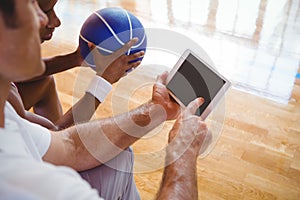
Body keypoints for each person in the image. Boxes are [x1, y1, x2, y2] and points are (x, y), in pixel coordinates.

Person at [0, 1, 209, 200]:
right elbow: (57, 131)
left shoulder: (7, 115)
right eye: (33, 5)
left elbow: (69, 144)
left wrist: (157, 109)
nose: (51, 21)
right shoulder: (22, 182)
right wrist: (184, 151)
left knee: (117, 153)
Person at [8, 0, 145, 130]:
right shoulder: (7, 96)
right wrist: (104, 81)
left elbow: (16, 71)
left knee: (43, 82)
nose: (56, 22)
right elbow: (57, 134)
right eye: (45, 11)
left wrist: (76, 58)